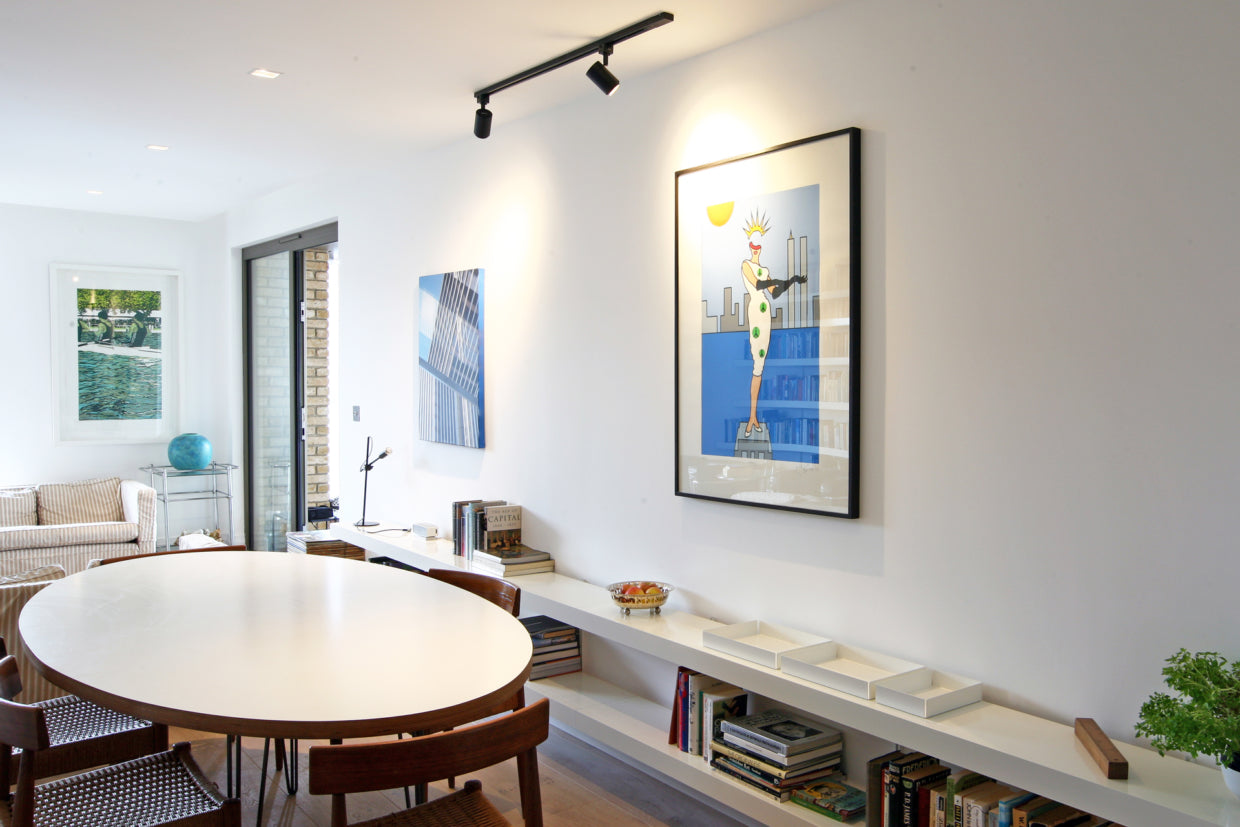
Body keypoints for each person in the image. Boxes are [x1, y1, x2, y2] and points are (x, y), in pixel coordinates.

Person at [740, 210, 806, 436]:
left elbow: (774, 292)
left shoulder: (765, 269)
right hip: (755, 315)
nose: (755, 246)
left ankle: (754, 416)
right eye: (753, 242)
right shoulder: (746, 265)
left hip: (765, 313)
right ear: (750, 245)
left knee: (761, 365)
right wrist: (776, 280)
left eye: (759, 242)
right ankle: (752, 416)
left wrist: (792, 280)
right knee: (756, 366)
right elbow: (759, 286)